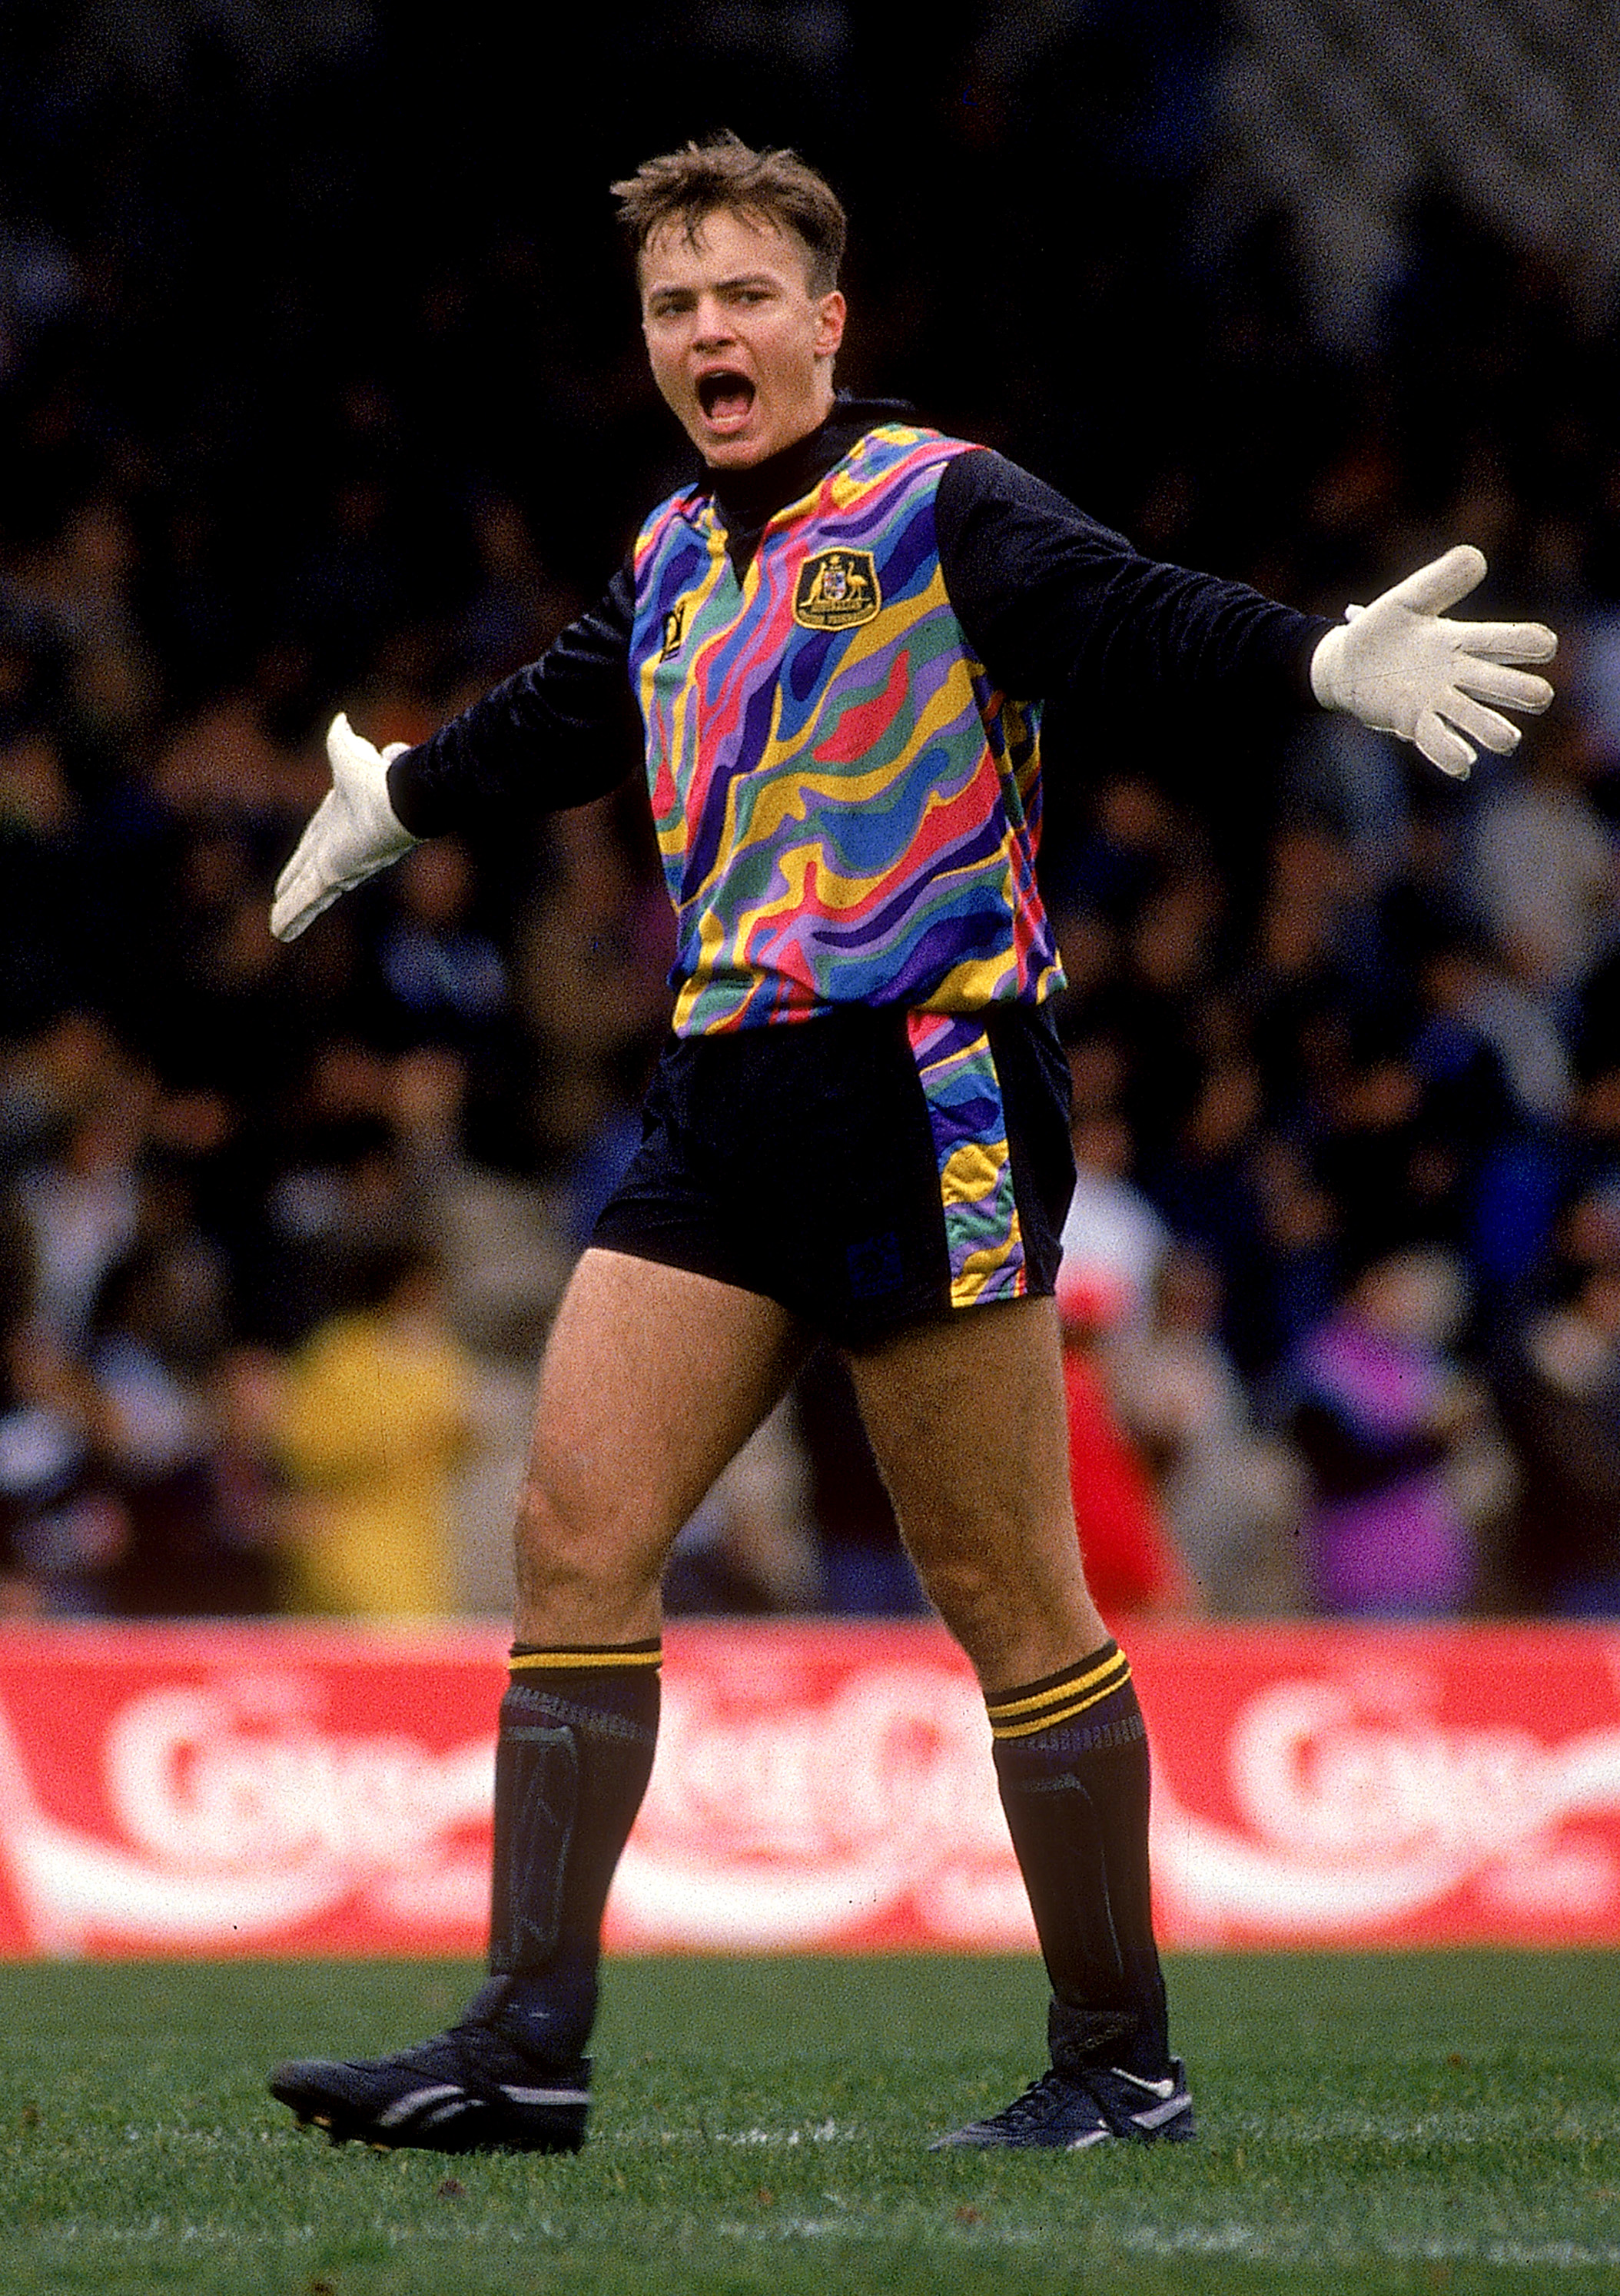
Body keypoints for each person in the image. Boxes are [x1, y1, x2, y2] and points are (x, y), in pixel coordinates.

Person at [264, 133, 1555, 2156]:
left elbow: (1125, 615)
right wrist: (402, 798)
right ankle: (521, 2044)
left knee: (1005, 1587)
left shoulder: (938, 500)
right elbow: (566, 717)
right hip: (721, 1100)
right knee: (573, 1529)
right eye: (674, 304)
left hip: (928, 1085)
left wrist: (1316, 658)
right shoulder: (675, 550)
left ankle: (1118, 2058)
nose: (709, 329)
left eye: (743, 295)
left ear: (823, 320)